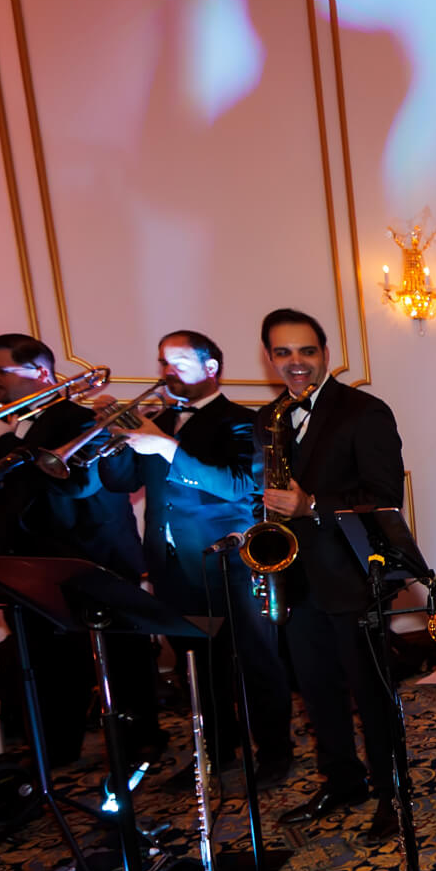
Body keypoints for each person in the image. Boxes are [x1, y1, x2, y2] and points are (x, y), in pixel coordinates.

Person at [96, 331, 293, 781]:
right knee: (198, 666)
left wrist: (168, 448)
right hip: (170, 562)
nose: (168, 371)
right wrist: (113, 435)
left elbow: (241, 484)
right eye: (164, 362)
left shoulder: (242, 421)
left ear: (211, 368)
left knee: (255, 661)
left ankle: (275, 754)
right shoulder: (158, 420)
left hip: (230, 561)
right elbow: (122, 482)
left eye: (180, 362)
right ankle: (216, 752)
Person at [0, 334, 158, 766]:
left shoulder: (78, 419)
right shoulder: (3, 426)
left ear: (41, 373)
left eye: (0, 370)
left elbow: (75, 484)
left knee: (118, 660)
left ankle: (140, 745)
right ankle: (55, 751)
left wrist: (0, 445)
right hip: (21, 565)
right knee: (42, 662)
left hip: (89, 559)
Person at [262, 309, 409, 840]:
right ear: (270, 358)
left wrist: (312, 505)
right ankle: (341, 780)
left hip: (354, 578)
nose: (296, 362)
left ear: (325, 354)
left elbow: (384, 497)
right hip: (297, 580)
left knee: (371, 694)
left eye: (307, 351)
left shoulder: (365, 411)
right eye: (283, 353)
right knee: (317, 691)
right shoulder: (271, 417)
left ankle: (391, 791)